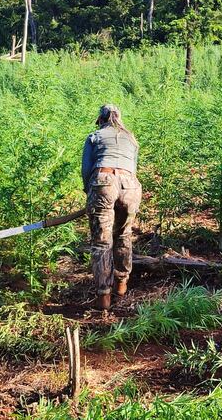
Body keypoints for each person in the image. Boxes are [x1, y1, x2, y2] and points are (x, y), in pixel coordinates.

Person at [81, 104, 142, 310]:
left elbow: (86, 170)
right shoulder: (131, 139)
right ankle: (121, 286)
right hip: (131, 185)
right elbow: (133, 167)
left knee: (102, 241)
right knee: (123, 235)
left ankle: (103, 298)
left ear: (101, 119)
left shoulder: (95, 136)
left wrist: (90, 194)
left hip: (104, 181)